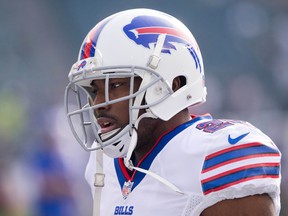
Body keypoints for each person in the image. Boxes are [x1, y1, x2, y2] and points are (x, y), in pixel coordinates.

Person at [64, 8, 281, 216]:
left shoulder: (215, 156)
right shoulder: (102, 162)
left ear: (173, 85)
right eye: (94, 90)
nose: (99, 103)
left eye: (116, 85)